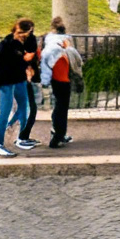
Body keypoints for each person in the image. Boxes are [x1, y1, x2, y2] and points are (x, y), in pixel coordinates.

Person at [0, 24, 27, 156]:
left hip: (14, 80)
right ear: (14, 32)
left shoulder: (17, 45)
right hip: (5, 82)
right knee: (5, 111)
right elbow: (2, 66)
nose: (23, 36)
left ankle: (11, 127)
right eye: (20, 33)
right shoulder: (5, 46)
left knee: (24, 106)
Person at [41, 17, 79, 148]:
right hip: (63, 78)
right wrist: (69, 48)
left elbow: (45, 61)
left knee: (58, 106)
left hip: (54, 78)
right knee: (62, 108)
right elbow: (77, 59)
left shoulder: (48, 42)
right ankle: (57, 137)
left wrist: (45, 81)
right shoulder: (65, 43)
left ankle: (57, 133)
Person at [10, 18, 42, 150]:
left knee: (28, 108)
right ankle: (21, 138)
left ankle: (23, 136)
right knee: (30, 109)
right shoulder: (26, 42)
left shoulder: (16, 42)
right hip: (23, 79)